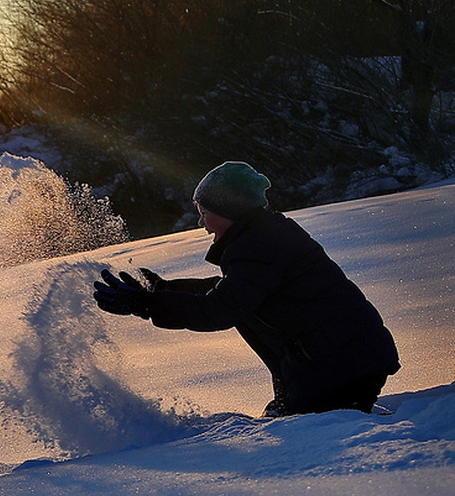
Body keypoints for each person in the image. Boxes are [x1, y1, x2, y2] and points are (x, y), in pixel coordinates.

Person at [93, 161, 400, 417]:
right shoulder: (262, 236)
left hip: (341, 366)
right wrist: (161, 290)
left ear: (229, 210)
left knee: (305, 432)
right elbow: (228, 293)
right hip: (344, 360)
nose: (202, 223)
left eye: (204, 212)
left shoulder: (259, 245)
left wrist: (146, 305)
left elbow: (220, 310)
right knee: (293, 418)